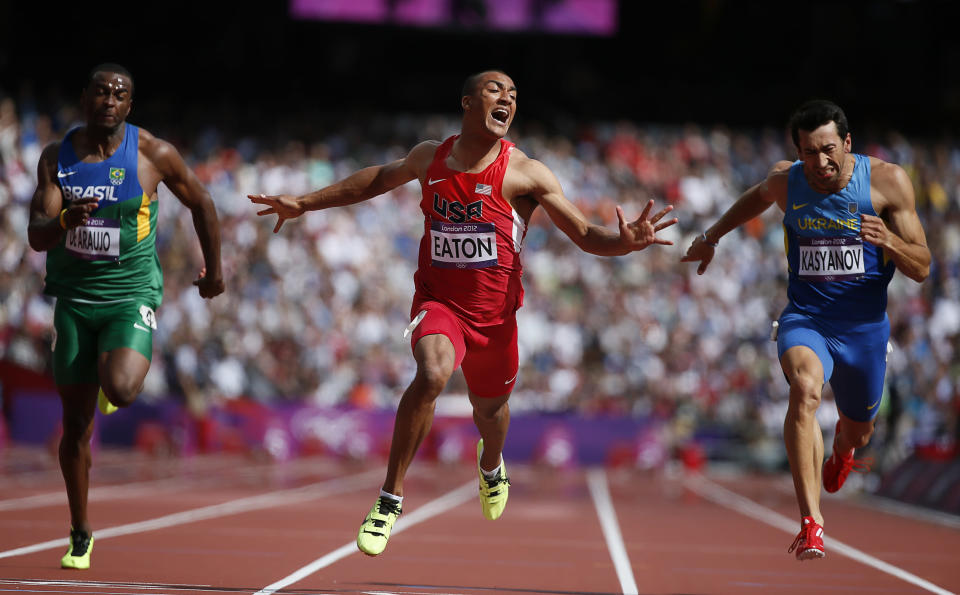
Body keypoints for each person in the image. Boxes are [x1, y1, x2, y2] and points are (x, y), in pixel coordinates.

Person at [250, 69, 677, 556]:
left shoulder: (526, 173)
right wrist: (303, 202)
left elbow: (583, 233)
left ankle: (491, 466)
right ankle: (389, 500)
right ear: (468, 103)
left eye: (514, 95)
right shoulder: (428, 157)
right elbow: (373, 181)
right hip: (440, 304)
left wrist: (623, 243)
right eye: (497, 90)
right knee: (432, 373)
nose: (508, 99)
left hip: (495, 322)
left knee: (490, 413)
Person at [682, 99, 930, 560]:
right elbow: (755, 199)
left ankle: (843, 454)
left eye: (829, 149)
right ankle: (811, 522)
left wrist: (891, 241)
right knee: (805, 390)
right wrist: (711, 237)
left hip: (864, 331)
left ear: (848, 143)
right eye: (810, 152)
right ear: (798, 151)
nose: (820, 162)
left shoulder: (887, 181)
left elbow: (922, 267)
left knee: (859, 431)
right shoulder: (788, 180)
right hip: (807, 319)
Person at [27, 63, 224, 569]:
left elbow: (202, 203)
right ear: (84, 98)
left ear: (129, 106)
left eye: (119, 94)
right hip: (74, 300)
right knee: (74, 428)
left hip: (129, 293)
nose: (109, 100)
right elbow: (37, 234)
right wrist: (66, 219)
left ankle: (112, 375)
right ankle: (80, 530)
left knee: (121, 388)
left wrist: (215, 271)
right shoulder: (57, 158)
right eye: (100, 92)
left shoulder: (153, 153)